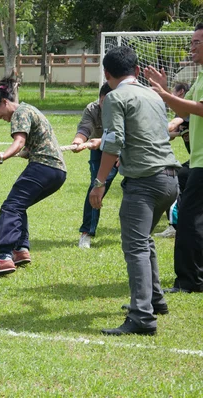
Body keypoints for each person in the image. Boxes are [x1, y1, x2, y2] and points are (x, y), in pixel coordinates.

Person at [90, 46, 181, 336]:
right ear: (138, 70)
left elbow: (113, 141)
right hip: (170, 181)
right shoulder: (154, 95)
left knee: (136, 247)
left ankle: (142, 316)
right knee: (145, 241)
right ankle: (155, 300)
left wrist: (100, 182)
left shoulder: (115, 97)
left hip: (144, 184)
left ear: (107, 74)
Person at [0, 77, 67, 277]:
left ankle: (3, 257)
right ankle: (20, 250)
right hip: (57, 171)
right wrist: (26, 151)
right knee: (19, 205)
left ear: (4, 102)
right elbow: (32, 143)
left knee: (11, 206)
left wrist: (1, 156)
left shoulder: (20, 112)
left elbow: (19, 141)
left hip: (43, 166)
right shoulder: (30, 109)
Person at [146, 23, 203, 294]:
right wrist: (166, 93)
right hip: (198, 161)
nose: (191, 46)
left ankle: (190, 281)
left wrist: (165, 95)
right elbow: (185, 110)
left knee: (189, 219)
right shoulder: (200, 75)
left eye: (197, 42)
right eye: (191, 42)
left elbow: (199, 109)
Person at [70, 83, 118, 248]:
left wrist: (122, 154)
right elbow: (85, 127)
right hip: (98, 149)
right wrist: (78, 140)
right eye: (102, 101)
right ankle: (86, 232)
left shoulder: (124, 108)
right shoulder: (93, 108)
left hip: (126, 149)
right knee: (95, 186)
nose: (104, 106)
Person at [154, 82, 190, 239]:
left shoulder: (187, 109)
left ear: (181, 92)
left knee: (175, 181)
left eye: (173, 93)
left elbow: (171, 126)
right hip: (196, 159)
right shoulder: (181, 113)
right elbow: (171, 135)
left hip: (199, 160)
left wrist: (149, 129)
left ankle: (175, 226)